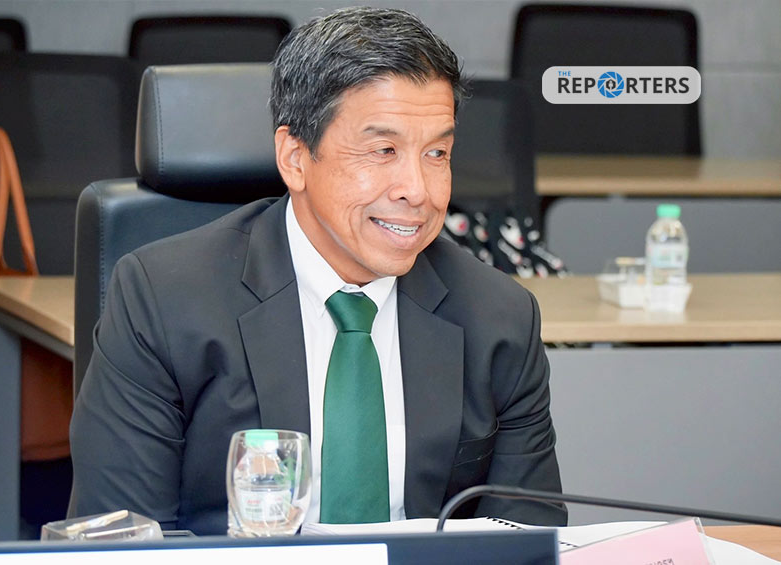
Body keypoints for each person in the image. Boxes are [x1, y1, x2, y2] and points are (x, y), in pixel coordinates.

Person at [69, 6, 566, 534]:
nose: (418, 191)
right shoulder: (164, 299)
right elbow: (120, 537)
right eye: (383, 150)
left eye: (437, 153)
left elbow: (528, 536)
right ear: (295, 157)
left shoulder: (499, 318)